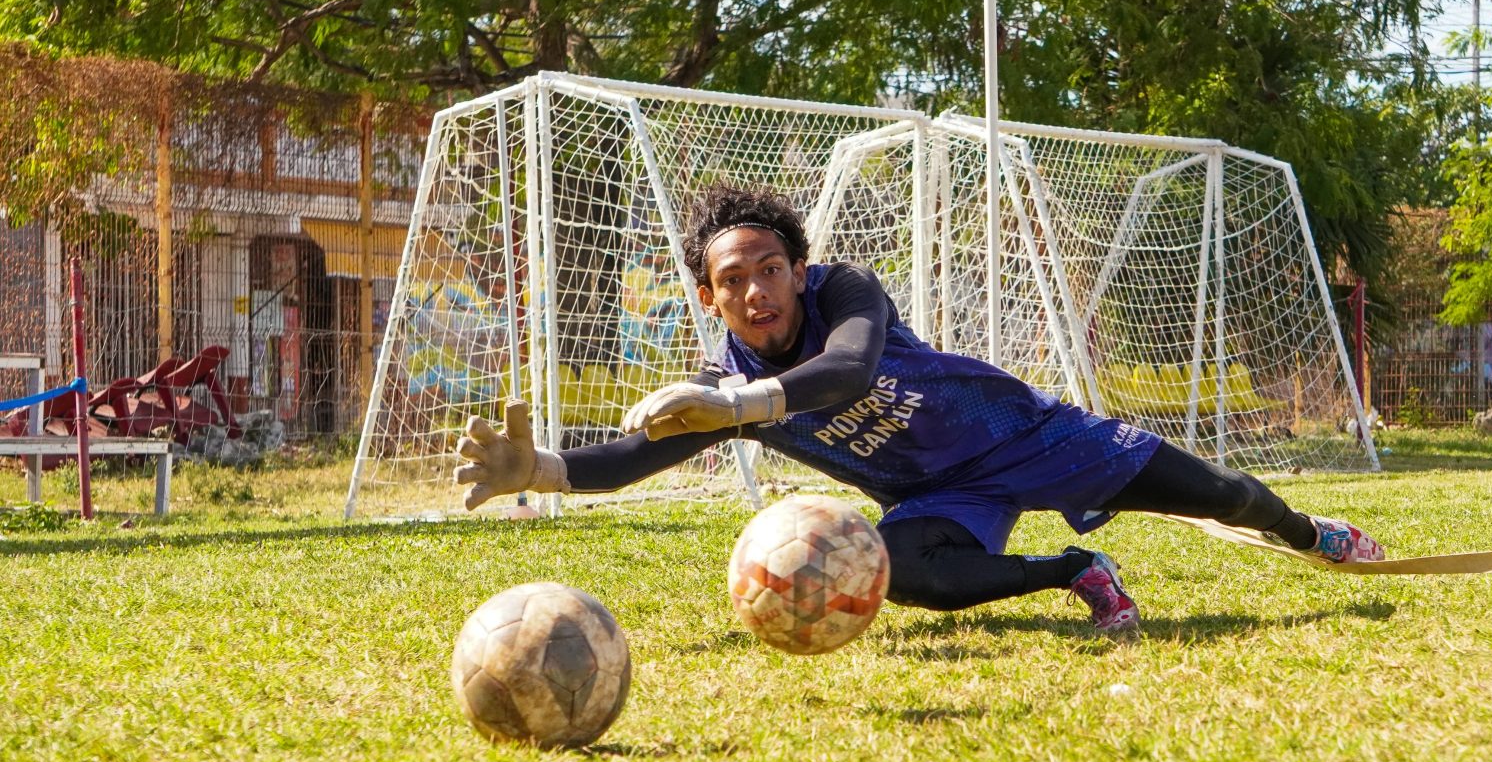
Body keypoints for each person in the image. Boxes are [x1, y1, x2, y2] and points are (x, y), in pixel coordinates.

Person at [455, 183, 1384, 633]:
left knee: (1222, 493)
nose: (755, 291)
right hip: (941, 497)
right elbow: (638, 454)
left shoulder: (846, 293)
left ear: (799, 271)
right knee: (900, 572)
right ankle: (1076, 571)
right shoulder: (726, 384)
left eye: (770, 270)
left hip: (1032, 437)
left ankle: (1315, 535)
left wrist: (734, 402)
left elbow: (847, 372)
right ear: (709, 297)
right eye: (732, 281)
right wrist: (541, 469)